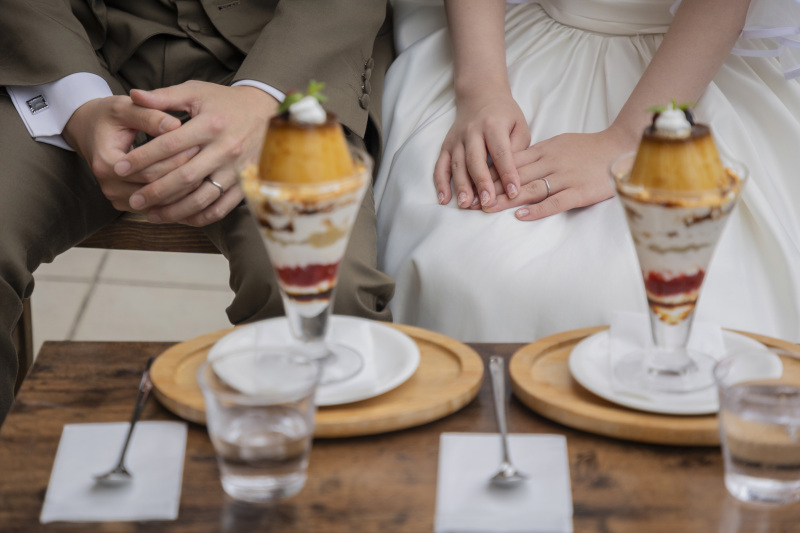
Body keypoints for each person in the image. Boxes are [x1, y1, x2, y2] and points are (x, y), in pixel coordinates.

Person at [0, 0, 396, 424]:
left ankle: (300, 481)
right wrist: (75, 104)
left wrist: (265, 98)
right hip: (64, 50)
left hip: (281, 56)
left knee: (324, 298)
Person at [375, 0, 800, 343]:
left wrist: (629, 137)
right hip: (501, 44)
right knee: (455, 254)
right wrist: (482, 89)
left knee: (670, 290)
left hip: (686, 71)